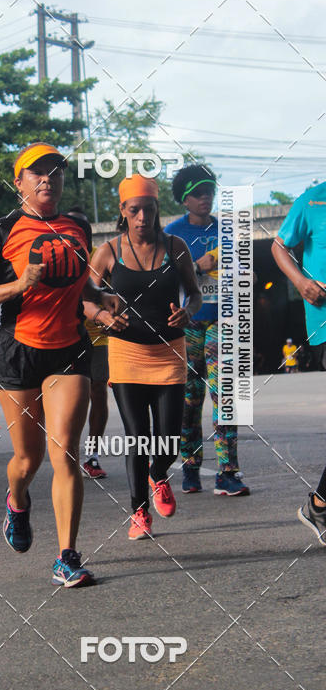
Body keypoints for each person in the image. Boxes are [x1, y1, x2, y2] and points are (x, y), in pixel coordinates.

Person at [0, 142, 119, 587]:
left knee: (64, 450)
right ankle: (17, 499)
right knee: (26, 459)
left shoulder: (79, 226)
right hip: (18, 350)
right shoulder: (3, 229)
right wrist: (18, 286)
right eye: (37, 172)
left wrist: (98, 302)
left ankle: (67, 556)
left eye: (56, 172)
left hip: (68, 347)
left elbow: (79, 284)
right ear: (19, 181)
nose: (48, 179)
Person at [85, 176, 202, 539]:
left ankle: (158, 474)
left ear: (156, 211)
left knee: (168, 437)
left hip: (169, 352)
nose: (141, 217)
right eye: (134, 210)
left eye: (148, 210)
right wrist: (103, 317)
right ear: (122, 211)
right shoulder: (108, 251)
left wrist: (188, 312)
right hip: (125, 353)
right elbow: (84, 297)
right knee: (137, 437)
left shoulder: (176, 246)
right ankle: (139, 513)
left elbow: (194, 294)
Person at [164, 165, 250, 496]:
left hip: (222, 321)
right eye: (199, 193)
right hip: (186, 326)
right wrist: (197, 266)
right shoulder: (171, 234)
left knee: (226, 396)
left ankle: (228, 472)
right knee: (189, 400)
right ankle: (190, 466)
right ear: (184, 198)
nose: (206, 198)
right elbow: (159, 281)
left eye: (210, 192)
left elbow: (243, 269)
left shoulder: (227, 231)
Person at [271, 182, 326, 545]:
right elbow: (279, 246)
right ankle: (319, 506)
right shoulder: (313, 199)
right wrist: (301, 282)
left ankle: (320, 504)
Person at [67, 206, 110, 480]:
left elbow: (112, 292)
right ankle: (68, 452)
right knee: (70, 398)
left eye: (84, 227)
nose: (79, 231)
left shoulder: (101, 256)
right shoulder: (55, 256)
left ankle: (92, 454)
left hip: (98, 336)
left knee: (98, 392)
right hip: (64, 336)